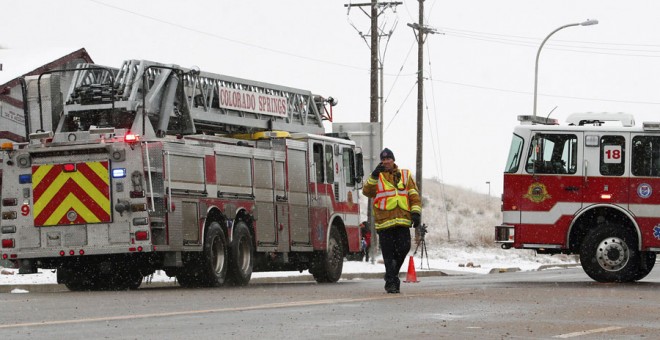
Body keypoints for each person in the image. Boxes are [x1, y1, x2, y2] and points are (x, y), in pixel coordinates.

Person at [362, 148, 422, 294]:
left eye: (388, 159)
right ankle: (392, 283)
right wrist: (374, 176)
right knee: (388, 254)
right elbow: (367, 192)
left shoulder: (405, 175)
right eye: (383, 159)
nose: (386, 161)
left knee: (404, 248)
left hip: (402, 220)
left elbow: (413, 195)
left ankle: (391, 274)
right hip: (384, 222)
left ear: (393, 160)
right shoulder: (377, 176)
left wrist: (416, 213)